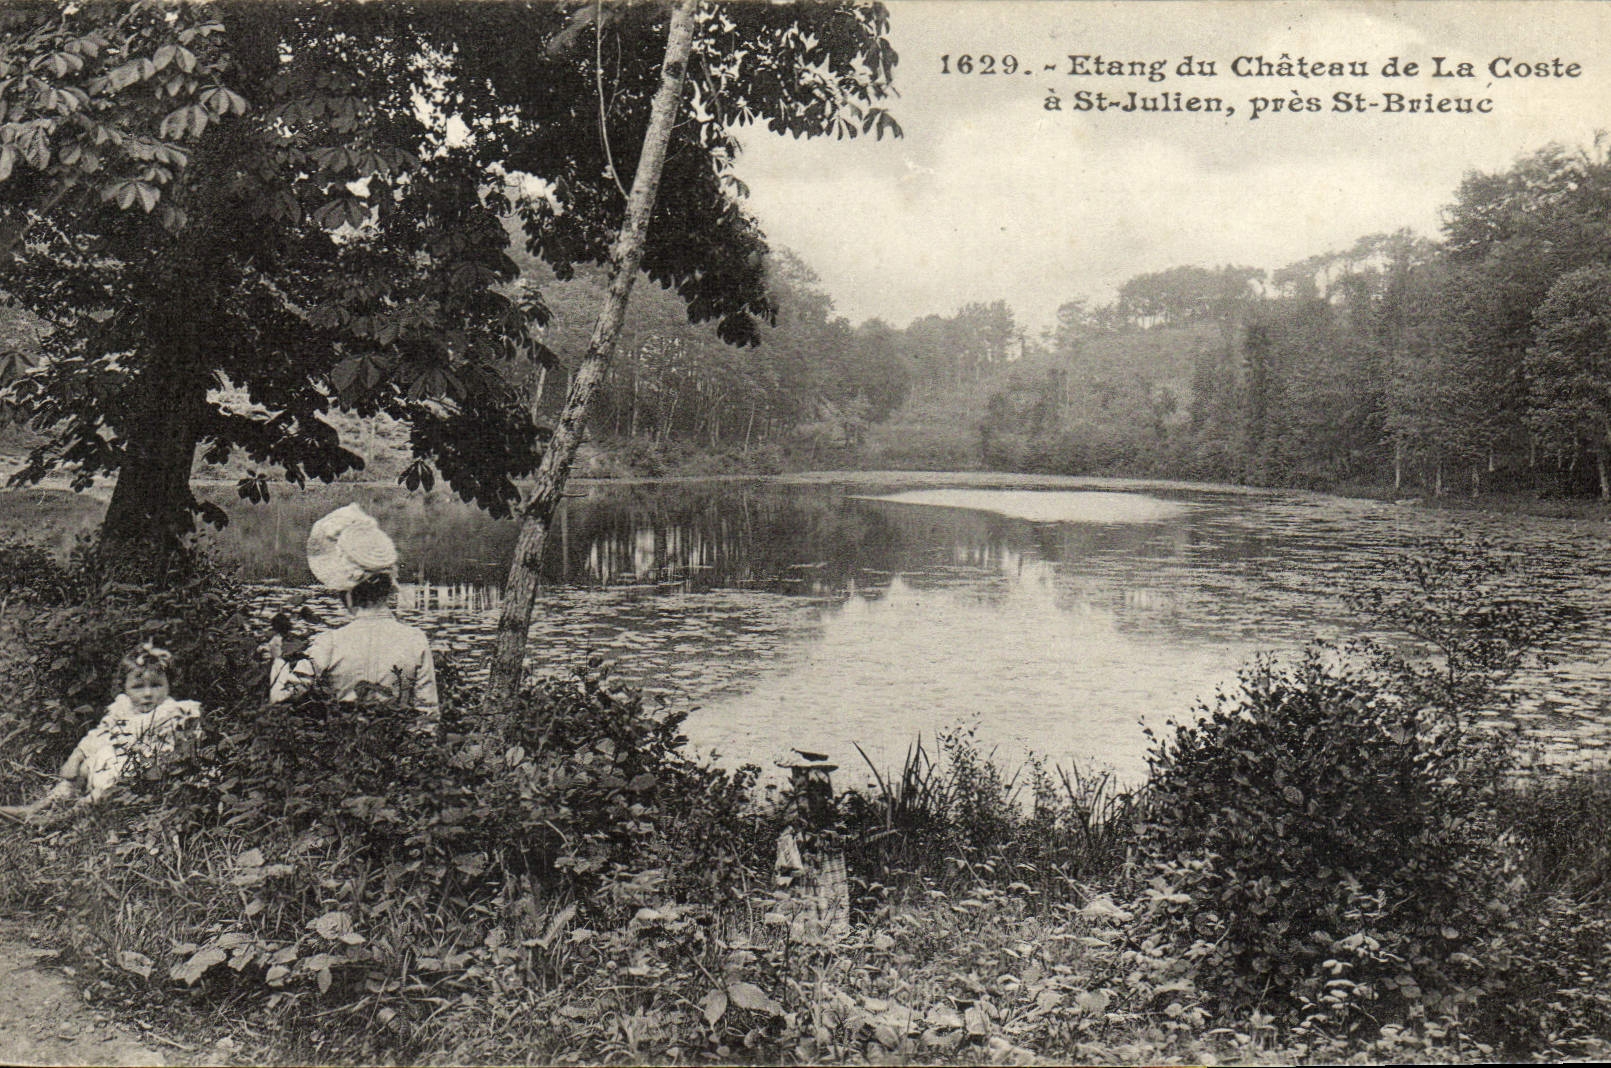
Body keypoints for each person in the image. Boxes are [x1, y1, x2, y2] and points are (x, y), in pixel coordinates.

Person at [267, 503, 439, 724]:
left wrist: (277, 659)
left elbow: (281, 696)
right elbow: (428, 716)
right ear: (388, 589)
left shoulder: (330, 642)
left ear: (348, 593)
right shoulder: (416, 640)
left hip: (345, 742)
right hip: (400, 743)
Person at [0, 644, 200, 822]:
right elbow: (98, 735)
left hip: (144, 776)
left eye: (156, 685)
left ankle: (65, 817)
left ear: (169, 684)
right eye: (138, 687)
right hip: (115, 765)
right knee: (83, 768)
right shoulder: (123, 709)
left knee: (111, 783)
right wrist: (75, 757)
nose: (148, 693)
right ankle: (39, 807)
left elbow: (182, 750)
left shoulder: (173, 713)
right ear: (125, 688)